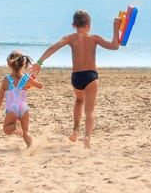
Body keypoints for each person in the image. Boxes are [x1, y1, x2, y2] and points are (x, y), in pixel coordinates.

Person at [31, 10, 121, 149]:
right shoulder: (94, 38)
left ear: (73, 25)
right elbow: (114, 46)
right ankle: (87, 137)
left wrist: (39, 62)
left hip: (77, 77)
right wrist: (116, 27)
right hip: (91, 76)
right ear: (89, 25)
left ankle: (75, 131)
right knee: (89, 110)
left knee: (79, 101)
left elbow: (54, 47)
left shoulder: (69, 38)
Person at [0, 51, 44, 148]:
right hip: (23, 107)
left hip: (12, 107)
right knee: (25, 131)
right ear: (24, 64)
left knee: (7, 129)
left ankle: (15, 125)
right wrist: (34, 79)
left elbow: (0, 98)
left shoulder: (6, 80)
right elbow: (40, 86)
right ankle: (30, 148)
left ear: (9, 64)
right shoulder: (27, 78)